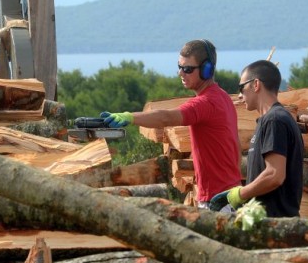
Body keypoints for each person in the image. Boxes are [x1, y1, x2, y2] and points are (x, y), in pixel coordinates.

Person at [101, 39, 242, 207]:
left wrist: (129, 117)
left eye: (188, 69)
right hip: (228, 194)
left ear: (207, 69)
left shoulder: (206, 103)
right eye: (180, 67)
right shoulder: (223, 97)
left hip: (217, 199)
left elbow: (166, 118)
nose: (181, 73)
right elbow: (237, 147)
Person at [209, 59, 304, 217]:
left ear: (256, 85)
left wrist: (240, 194)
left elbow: (275, 175)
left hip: (276, 226)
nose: (240, 96)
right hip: (268, 223)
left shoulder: (275, 120)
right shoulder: (269, 120)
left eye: (242, 88)